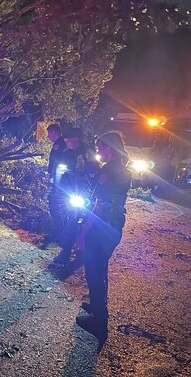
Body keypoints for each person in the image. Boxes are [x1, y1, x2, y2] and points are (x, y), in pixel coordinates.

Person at [76, 131, 131, 351]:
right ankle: (97, 308)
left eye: (100, 147)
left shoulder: (110, 171)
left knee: (95, 272)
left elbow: (101, 204)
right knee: (99, 270)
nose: (98, 151)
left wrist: (83, 232)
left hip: (101, 228)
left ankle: (99, 323)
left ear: (110, 148)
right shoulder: (122, 170)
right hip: (113, 228)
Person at [53, 127, 99, 264]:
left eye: (68, 139)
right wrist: (58, 189)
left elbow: (95, 172)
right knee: (70, 222)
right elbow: (61, 172)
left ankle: (81, 251)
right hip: (70, 193)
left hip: (85, 194)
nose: (66, 141)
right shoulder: (66, 152)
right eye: (65, 139)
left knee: (85, 224)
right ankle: (67, 251)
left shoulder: (88, 152)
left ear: (77, 139)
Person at [46, 123, 67, 244]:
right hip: (59, 181)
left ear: (54, 132)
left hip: (57, 181)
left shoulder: (59, 144)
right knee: (56, 206)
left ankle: (60, 233)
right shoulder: (61, 143)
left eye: (49, 133)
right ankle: (61, 232)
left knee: (55, 206)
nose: (48, 136)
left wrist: (52, 178)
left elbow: (56, 162)